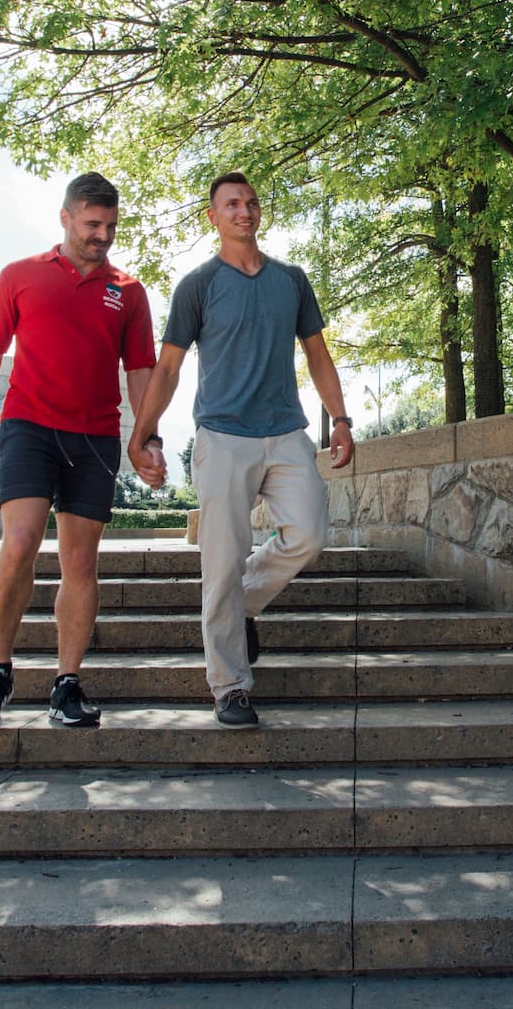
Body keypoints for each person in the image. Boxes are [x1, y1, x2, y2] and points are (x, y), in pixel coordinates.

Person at [128, 171, 355, 729]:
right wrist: (144, 431)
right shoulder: (198, 286)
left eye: (251, 203)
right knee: (220, 563)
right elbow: (170, 367)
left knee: (309, 534)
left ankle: (240, 604)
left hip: (285, 432)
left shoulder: (292, 280)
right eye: (231, 204)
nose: (244, 211)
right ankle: (229, 686)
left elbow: (318, 356)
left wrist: (341, 420)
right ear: (214, 217)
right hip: (222, 436)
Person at [0, 172, 158, 733]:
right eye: (93, 224)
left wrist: (147, 436)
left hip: (95, 436)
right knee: (18, 544)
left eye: (111, 226)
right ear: (65, 218)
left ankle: (67, 682)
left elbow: (140, 370)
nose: (103, 236)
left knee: (81, 563)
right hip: (28, 427)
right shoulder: (20, 276)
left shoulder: (129, 290)